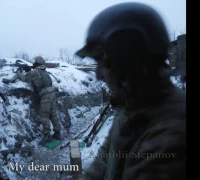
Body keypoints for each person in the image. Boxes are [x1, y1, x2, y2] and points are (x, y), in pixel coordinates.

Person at [75, 2, 186, 180]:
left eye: (103, 62)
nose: (98, 75)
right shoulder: (132, 109)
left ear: (129, 61)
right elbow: (102, 163)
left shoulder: (173, 134)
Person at [17, 56, 62, 145]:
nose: (33, 63)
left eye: (35, 62)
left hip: (46, 95)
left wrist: (19, 72)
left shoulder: (36, 71)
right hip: (52, 93)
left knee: (44, 115)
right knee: (53, 114)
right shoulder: (44, 72)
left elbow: (25, 78)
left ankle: (47, 136)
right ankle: (57, 133)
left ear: (37, 63)